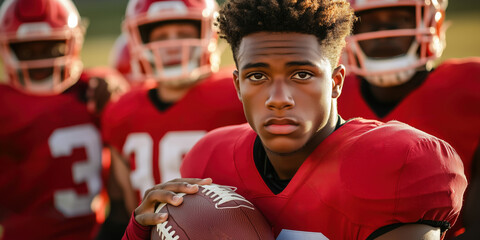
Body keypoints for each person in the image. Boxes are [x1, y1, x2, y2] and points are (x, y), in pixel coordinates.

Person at [121, 0, 467, 239]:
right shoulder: (211, 157)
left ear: (336, 82)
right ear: (238, 85)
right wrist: (140, 231)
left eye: (301, 74)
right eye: (258, 77)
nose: (279, 99)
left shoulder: (398, 162)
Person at [97, 0, 246, 238]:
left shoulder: (236, 94)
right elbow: (121, 208)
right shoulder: (122, 110)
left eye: (183, 33)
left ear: (209, 32)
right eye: (162, 35)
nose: (173, 44)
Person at [337, 0, 480, 238]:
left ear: (433, 22)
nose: (384, 33)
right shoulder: (329, 94)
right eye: (370, 22)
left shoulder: (470, 86)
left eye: (399, 19)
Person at [0, 0, 127, 239]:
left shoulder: (95, 90)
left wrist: (113, 89)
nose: (40, 60)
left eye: (52, 47)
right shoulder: (93, 89)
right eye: (27, 50)